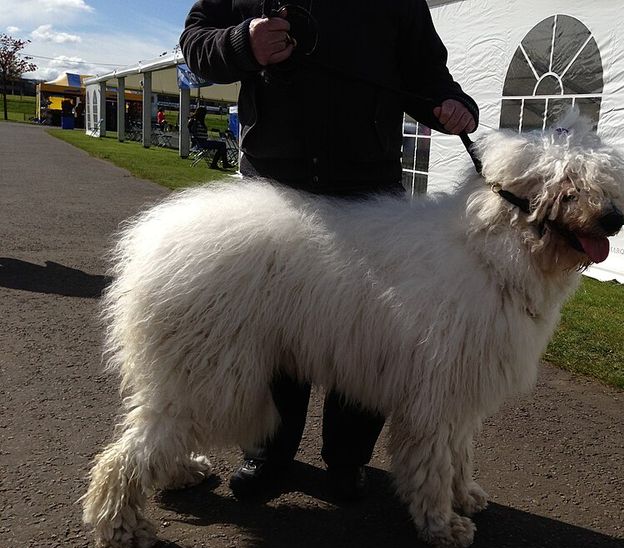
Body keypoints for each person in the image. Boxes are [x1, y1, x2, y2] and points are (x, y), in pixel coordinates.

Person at [180, 0, 478, 500]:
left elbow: (425, 72)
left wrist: (451, 102)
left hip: (367, 193)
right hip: (273, 188)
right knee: (273, 330)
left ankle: (347, 461)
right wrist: (241, 44)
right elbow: (195, 44)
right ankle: (269, 454)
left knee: (368, 335)